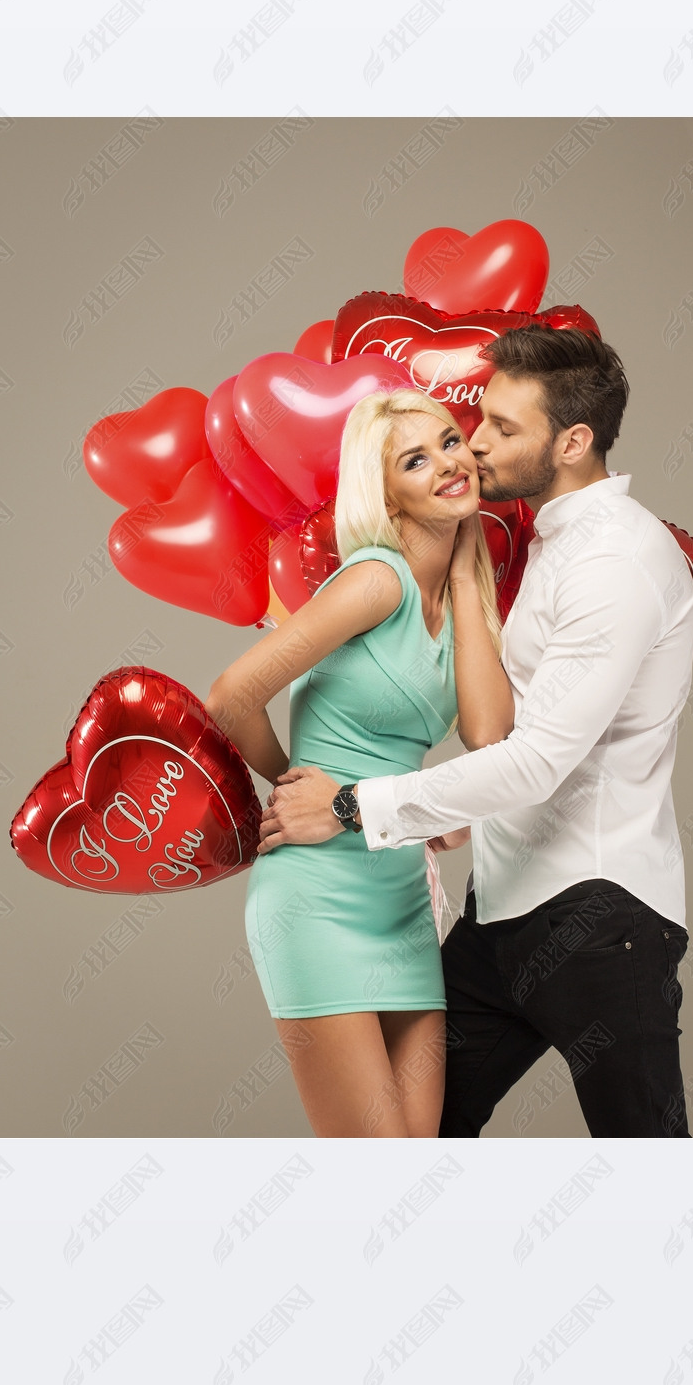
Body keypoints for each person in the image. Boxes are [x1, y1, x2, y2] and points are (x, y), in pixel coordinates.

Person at [257, 325, 693, 1138]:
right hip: (501, 922)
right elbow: (501, 732)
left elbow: (531, 763)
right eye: (480, 420)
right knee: (407, 1150)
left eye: (501, 427)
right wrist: (463, 569)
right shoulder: (551, 545)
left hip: (598, 921)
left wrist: (353, 806)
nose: (479, 444)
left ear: (572, 441)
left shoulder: (615, 562)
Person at [205, 388, 510, 1138]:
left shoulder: (459, 589)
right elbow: (233, 694)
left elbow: (488, 733)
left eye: (449, 441)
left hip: (401, 901)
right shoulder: (377, 580)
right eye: (415, 460)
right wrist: (290, 789)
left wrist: (467, 560)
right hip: (316, 902)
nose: (446, 463)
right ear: (388, 493)